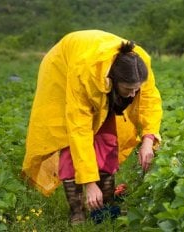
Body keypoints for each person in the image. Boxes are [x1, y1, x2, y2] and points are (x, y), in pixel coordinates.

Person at [22, 30, 163, 225]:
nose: (132, 95)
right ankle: (77, 211)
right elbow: (79, 130)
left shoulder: (139, 65)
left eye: (136, 89)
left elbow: (149, 102)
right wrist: (89, 183)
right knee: (68, 139)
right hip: (63, 68)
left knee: (106, 138)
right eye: (127, 89)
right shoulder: (84, 74)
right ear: (112, 80)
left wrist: (148, 139)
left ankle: (106, 203)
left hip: (96, 67)